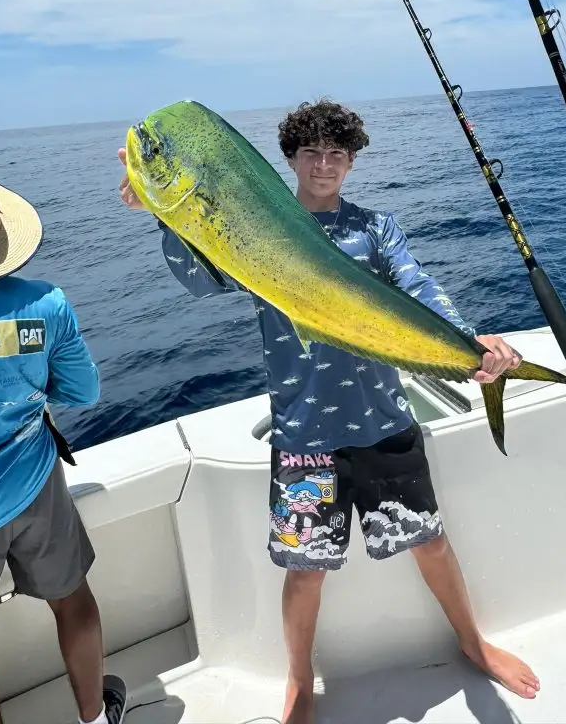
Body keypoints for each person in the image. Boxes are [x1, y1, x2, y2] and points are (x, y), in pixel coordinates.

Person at [118, 98, 540, 723]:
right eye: (311, 152)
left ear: (351, 161)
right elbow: (201, 280)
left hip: (383, 421)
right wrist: (163, 216)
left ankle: (472, 643)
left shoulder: (375, 229)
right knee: (306, 571)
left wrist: (470, 340)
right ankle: (297, 681)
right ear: (289, 158)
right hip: (303, 430)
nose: (324, 164)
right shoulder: (253, 225)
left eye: (336, 154)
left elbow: (418, 287)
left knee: (429, 542)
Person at [0, 163, 126, 724]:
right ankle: (96, 718)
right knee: (72, 600)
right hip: (35, 487)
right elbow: (83, 390)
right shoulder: (45, 302)